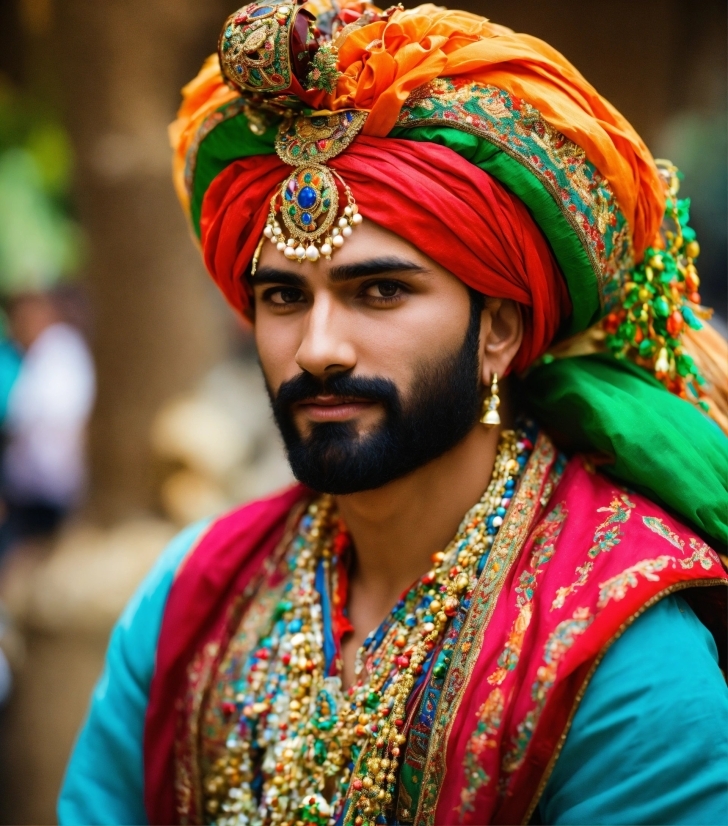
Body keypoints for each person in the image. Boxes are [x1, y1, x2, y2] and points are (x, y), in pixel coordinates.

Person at [59, 3, 728, 824]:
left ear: (500, 331)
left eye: (380, 291)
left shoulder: (627, 665)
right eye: (283, 297)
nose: (318, 349)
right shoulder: (192, 596)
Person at [0, 292, 95, 556]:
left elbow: (66, 420)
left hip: (52, 489)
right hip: (30, 489)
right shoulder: (34, 355)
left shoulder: (60, 351)